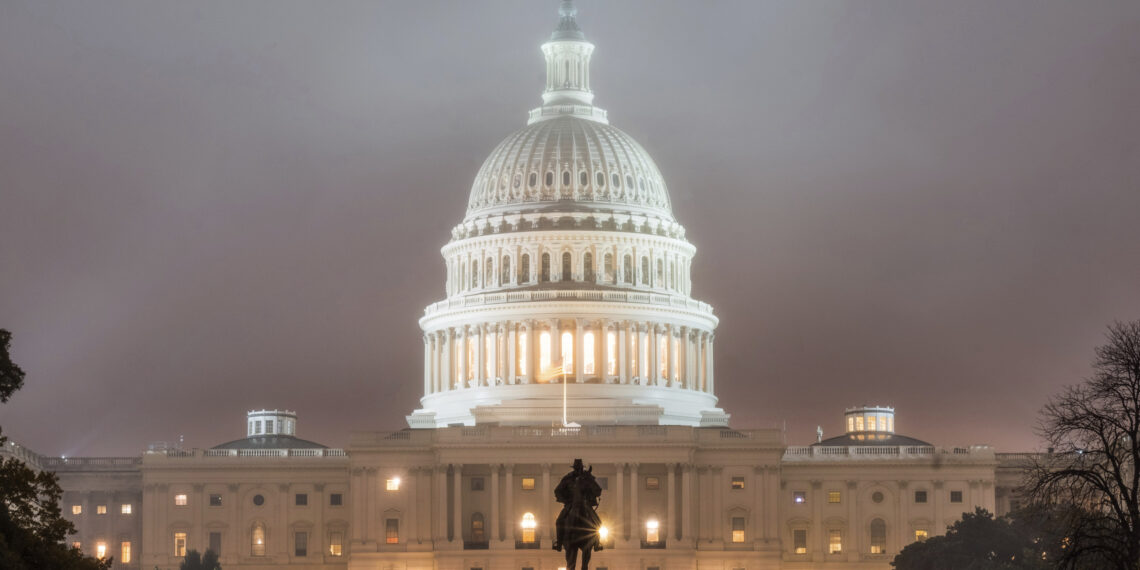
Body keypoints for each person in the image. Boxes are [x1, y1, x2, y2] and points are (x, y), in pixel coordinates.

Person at [552, 458, 602, 551]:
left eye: (579, 468)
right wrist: (565, 500)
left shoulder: (587, 477)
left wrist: (592, 492)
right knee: (559, 521)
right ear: (574, 468)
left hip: (586, 504)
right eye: (577, 468)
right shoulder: (568, 478)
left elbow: (598, 490)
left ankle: (597, 543)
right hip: (570, 504)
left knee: (598, 522)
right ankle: (559, 543)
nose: (578, 470)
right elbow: (557, 491)